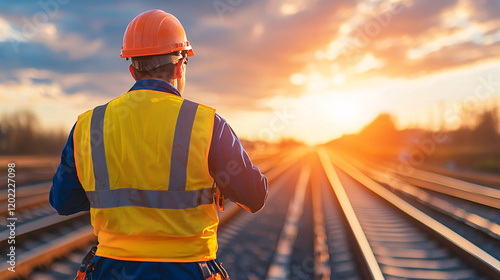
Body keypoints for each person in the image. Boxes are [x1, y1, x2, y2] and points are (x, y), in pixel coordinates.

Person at [50, 9, 268, 279]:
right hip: (187, 270)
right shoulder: (208, 124)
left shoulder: (89, 125)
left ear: (132, 71)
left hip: (112, 270)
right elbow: (254, 196)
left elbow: (63, 201)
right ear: (180, 66)